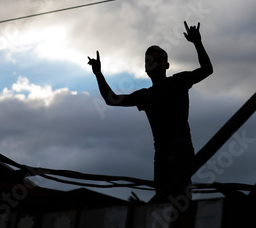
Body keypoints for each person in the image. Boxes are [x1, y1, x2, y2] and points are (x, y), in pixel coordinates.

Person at [87, 21, 213, 201]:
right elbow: (111, 100)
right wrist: (98, 73)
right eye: (149, 61)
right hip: (160, 151)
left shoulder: (178, 82)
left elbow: (207, 70)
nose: (152, 64)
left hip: (180, 146)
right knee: (162, 199)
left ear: (166, 65)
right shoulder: (145, 96)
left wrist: (197, 43)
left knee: (177, 196)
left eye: (157, 60)